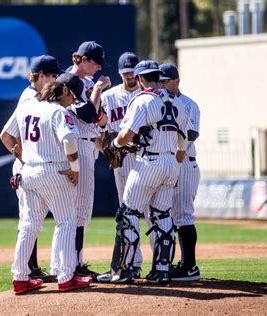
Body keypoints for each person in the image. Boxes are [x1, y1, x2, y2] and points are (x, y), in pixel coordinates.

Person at [99, 60, 192, 284]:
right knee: (162, 215)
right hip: (171, 162)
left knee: (129, 214)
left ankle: (125, 270)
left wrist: (114, 146)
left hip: (148, 163)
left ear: (140, 78)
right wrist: (175, 166)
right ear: (158, 77)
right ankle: (162, 270)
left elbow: (124, 137)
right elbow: (184, 140)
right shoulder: (177, 102)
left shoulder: (142, 100)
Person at [0, 73, 93, 294]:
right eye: (74, 97)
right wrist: (75, 169)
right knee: (66, 222)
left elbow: (6, 135)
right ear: (66, 91)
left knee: (28, 225)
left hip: (29, 172)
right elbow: (69, 140)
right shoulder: (59, 112)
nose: (74, 102)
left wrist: (23, 158)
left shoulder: (27, 106)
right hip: (55, 171)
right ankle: (66, 276)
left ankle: (20, 278)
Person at [50, 41, 111, 279]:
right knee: (77, 211)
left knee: (81, 211)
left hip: (89, 145)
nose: (98, 67)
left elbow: (99, 118)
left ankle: (73, 262)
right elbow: (87, 116)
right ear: (83, 60)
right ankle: (70, 264)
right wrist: (97, 91)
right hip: (77, 145)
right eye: (95, 62)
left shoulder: (83, 82)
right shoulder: (68, 82)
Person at [9, 55, 63, 283]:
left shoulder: (35, 96)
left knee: (31, 221)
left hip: (31, 166)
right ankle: (28, 269)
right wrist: (21, 158)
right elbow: (7, 135)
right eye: (52, 75)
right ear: (40, 76)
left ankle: (30, 269)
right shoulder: (30, 98)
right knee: (30, 221)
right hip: (30, 166)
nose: (55, 79)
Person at [97, 52, 143, 281]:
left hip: (146, 157)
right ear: (119, 73)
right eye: (125, 72)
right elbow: (99, 131)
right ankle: (131, 262)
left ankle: (162, 265)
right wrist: (106, 151)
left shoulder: (147, 95)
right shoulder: (109, 96)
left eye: (133, 72)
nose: (130, 76)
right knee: (126, 210)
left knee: (155, 212)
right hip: (122, 160)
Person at [159, 63, 201, 281]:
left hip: (185, 163)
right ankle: (175, 264)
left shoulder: (188, 104)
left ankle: (189, 266)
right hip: (170, 162)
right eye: (160, 81)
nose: (161, 85)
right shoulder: (160, 102)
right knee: (171, 216)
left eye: (165, 81)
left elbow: (191, 134)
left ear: (176, 82)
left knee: (184, 214)